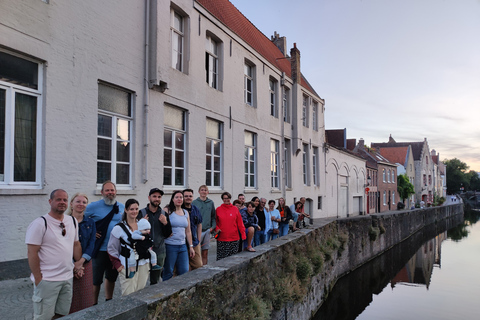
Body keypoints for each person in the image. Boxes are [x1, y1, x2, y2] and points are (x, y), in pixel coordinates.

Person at [26, 189, 82, 320]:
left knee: (62, 314)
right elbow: (32, 252)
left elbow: (76, 244)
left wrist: (78, 265)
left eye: (65, 200)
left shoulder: (72, 221)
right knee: (43, 317)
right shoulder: (40, 223)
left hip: (67, 278)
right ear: (50, 201)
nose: (62, 202)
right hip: (48, 280)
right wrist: (39, 279)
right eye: (58, 199)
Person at [85, 181, 124, 305]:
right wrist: (91, 231)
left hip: (115, 250)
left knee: (111, 277)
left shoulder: (122, 207)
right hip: (99, 250)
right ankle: (93, 304)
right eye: (107, 190)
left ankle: (109, 301)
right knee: (96, 280)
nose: (110, 193)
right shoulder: (93, 206)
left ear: (116, 192)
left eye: (112, 190)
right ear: (102, 192)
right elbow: (78, 218)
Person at [107, 199, 150, 296]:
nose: (134, 211)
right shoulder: (118, 228)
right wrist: (117, 265)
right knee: (128, 295)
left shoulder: (142, 225)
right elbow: (111, 248)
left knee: (141, 294)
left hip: (143, 263)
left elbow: (148, 242)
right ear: (126, 210)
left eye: (136, 209)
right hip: (127, 265)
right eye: (131, 209)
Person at [68, 193, 96, 314]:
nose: (81, 204)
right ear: (71, 204)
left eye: (84, 202)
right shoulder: (64, 222)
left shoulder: (90, 222)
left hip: (85, 263)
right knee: (69, 295)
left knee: (85, 297)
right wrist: (74, 264)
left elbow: (92, 243)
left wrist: (81, 262)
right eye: (78, 201)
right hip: (68, 264)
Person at [137, 188, 171, 285]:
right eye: (154, 196)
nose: (157, 199)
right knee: (141, 280)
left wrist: (165, 223)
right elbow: (135, 233)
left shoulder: (164, 214)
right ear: (149, 198)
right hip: (144, 251)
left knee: (155, 280)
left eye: (159, 197)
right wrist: (141, 224)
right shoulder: (142, 213)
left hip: (159, 251)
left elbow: (168, 234)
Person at [162, 191, 195, 281]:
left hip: (182, 246)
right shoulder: (167, 210)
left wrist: (191, 246)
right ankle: (165, 291)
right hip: (170, 245)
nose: (179, 199)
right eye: (177, 197)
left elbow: (188, 231)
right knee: (169, 271)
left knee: (184, 271)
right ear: (172, 199)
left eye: (181, 197)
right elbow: (161, 225)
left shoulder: (185, 212)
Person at [215, 192, 246, 260]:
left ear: (230, 198)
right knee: (221, 259)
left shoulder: (235, 209)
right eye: (224, 198)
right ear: (222, 199)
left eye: (228, 198)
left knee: (233, 259)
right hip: (222, 238)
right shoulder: (218, 209)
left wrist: (243, 234)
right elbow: (215, 222)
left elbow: (240, 223)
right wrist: (217, 229)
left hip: (234, 238)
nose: (226, 200)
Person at [192, 185, 216, 265]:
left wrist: (212, 227)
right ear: (199, 192)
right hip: (197, 231)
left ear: (208, 192)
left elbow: (213, 216)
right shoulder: (194, 203)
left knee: (205, 253)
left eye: (205, 190)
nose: (203, 192)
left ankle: (205, 268)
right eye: (202, 190)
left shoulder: (210, 202)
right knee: (196, 252)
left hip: (207, 231)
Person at [183, 188, 203, 270]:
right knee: (183, 267)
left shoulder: (195, 209)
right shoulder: (179, 209)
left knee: (198, 265)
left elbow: (199, 224)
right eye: (186, 196)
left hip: (194, 242)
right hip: (182, 242)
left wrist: (198, 239)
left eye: (190, 196)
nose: (188, 197)